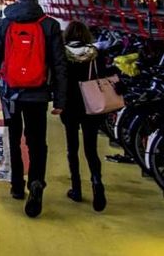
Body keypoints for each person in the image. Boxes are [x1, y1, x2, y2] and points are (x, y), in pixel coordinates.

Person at [0, 0, 68, 218]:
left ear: (17, 0)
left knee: (13, 138)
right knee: (37, 142)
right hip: (38, 95)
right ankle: (36, 182)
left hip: (10, 94)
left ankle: (17, 186)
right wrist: (61, 99)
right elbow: (60, 65)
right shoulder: (50, 25)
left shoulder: (5, 24)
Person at [60, 20, 107, 212]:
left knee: (73, 148)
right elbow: (103, 76)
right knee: (91, 148)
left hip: (70, 105)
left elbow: (59, 78)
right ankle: (97, 183)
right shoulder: (95, 54)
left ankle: (76, 188)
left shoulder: (63, 53)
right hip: (91, 104)